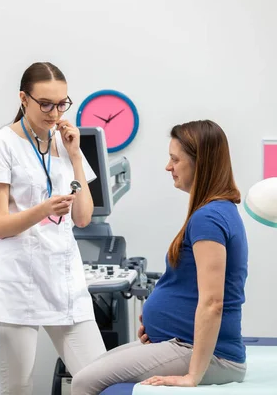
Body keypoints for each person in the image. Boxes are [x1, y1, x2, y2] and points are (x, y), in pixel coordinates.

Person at [71, 120, 248, 394]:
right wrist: (160, 326)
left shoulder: (209, 218)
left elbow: (213, 302)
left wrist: (192, 376)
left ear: (200, 163)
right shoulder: (215, 211)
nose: (169, 167)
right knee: (88, 371)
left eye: (175, 159)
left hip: (208, 354)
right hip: (179, 342)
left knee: (84, 382)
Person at [0, 62, 106, 394]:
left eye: (62, 104)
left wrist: (76, 156)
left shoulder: (65, 143)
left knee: (101, 381)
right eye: (45, 104)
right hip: (18, 280)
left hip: (64, 278)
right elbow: (0, 225)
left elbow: (82, 218)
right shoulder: (0, 144)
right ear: (24, 99)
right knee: (18, 387)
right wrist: (43, 210)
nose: (54, 112)